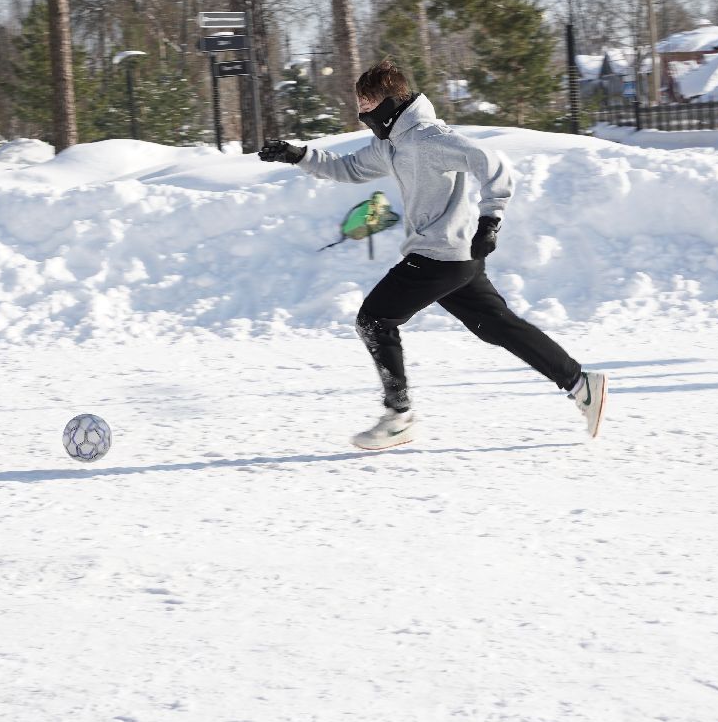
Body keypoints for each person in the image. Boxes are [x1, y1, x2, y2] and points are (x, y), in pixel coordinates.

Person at [258, 60, 606, 450]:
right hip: (453, 257)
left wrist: (490, 219)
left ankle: (398, 415)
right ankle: (580, 382)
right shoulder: (391, 144)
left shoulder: (428, 138)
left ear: (389, 101)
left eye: (367, 102)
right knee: (499, 326)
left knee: (373, 320)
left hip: (439, 254)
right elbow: (349, 168)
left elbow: (494, 164)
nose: (361, 113)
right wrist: (298, 154)